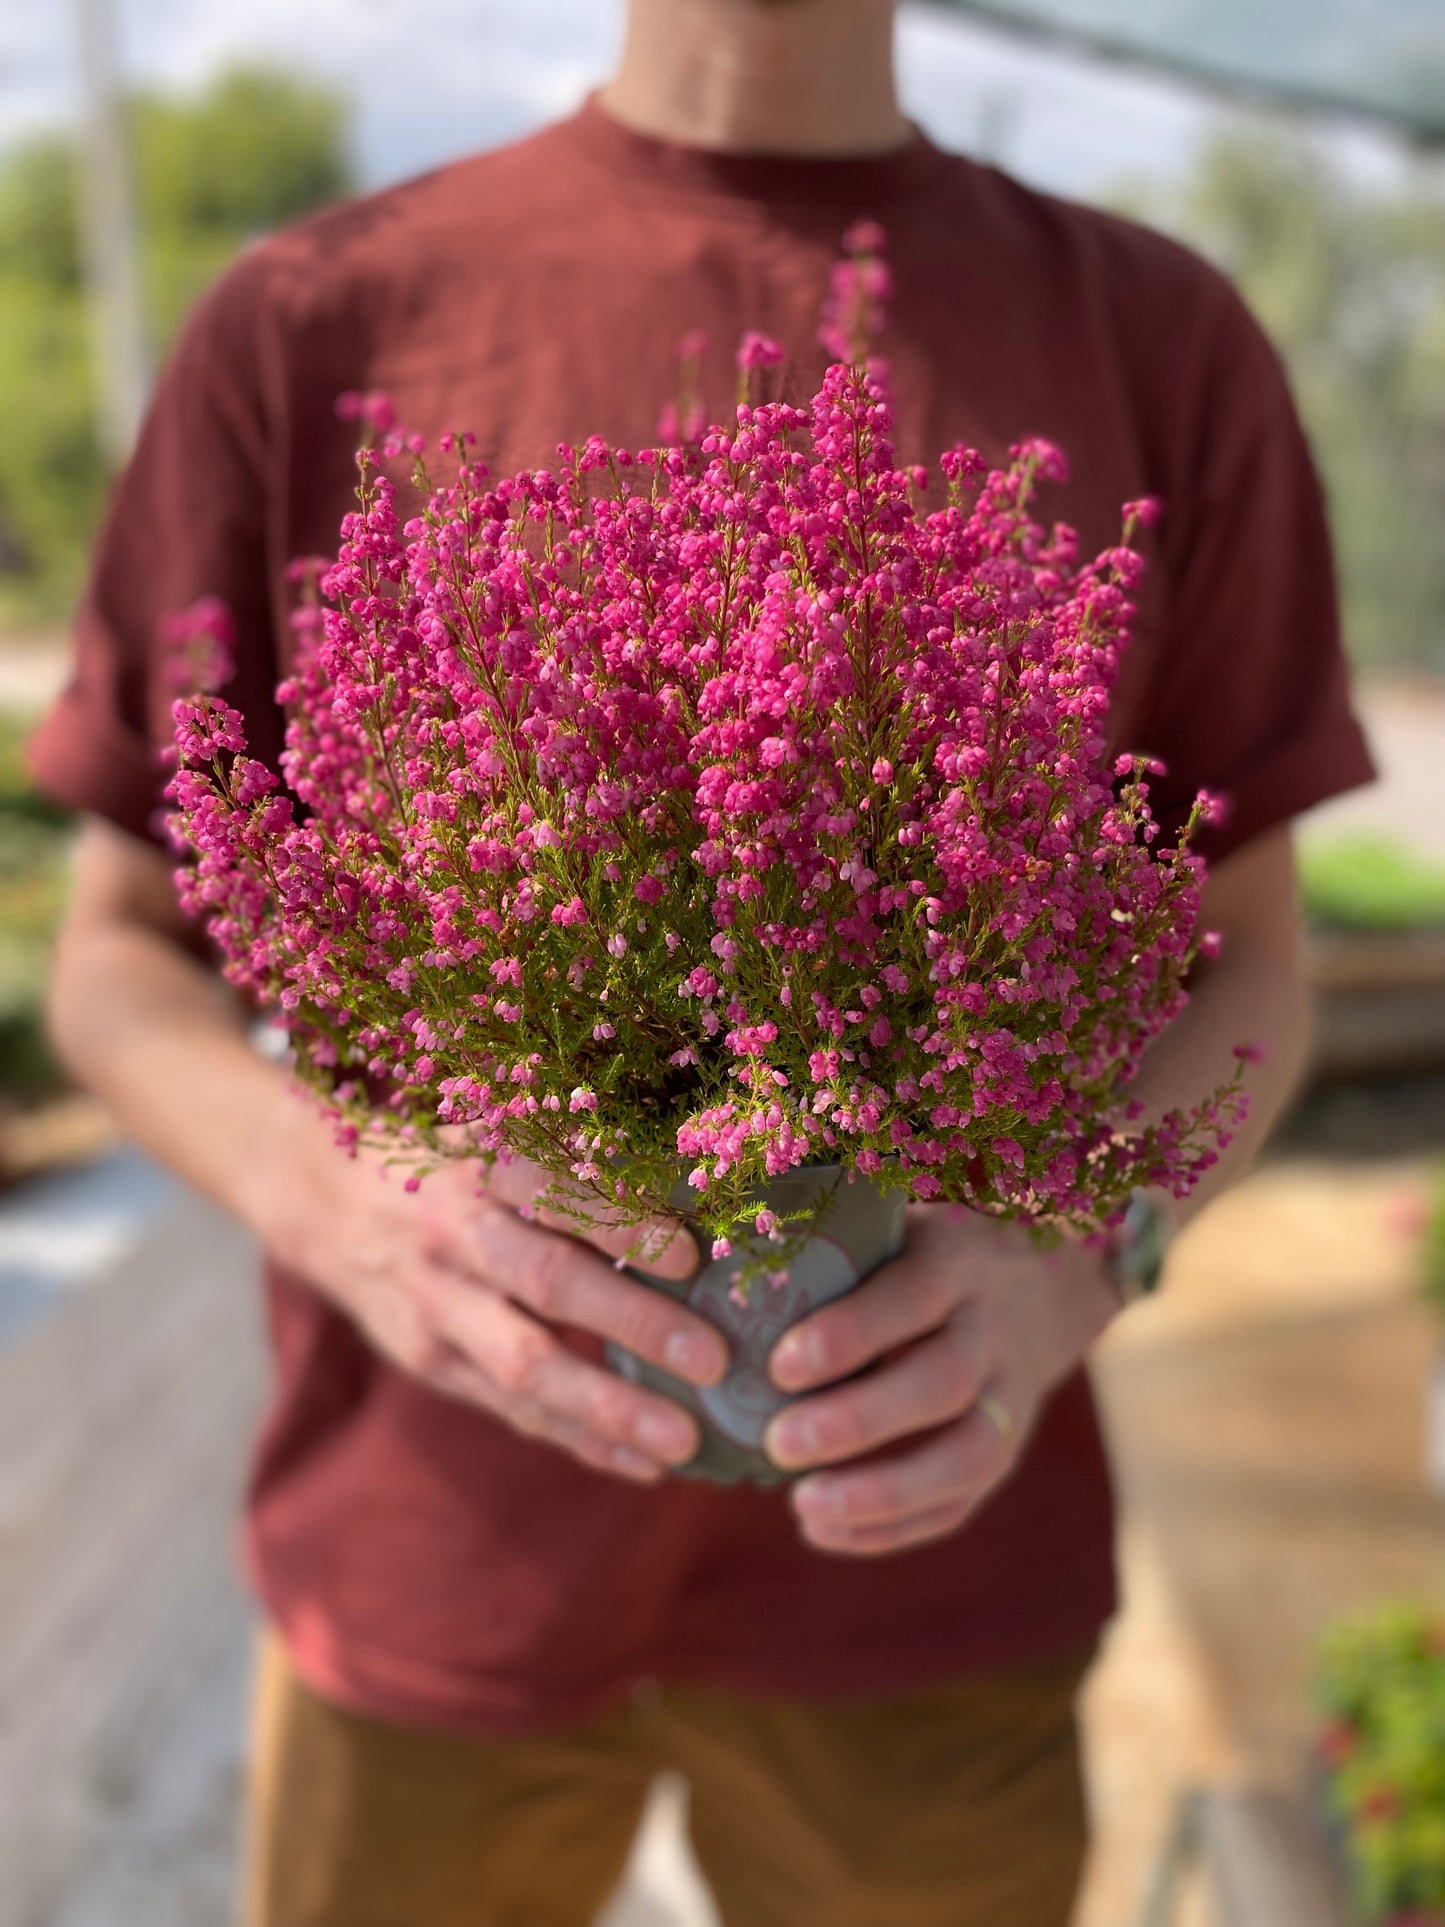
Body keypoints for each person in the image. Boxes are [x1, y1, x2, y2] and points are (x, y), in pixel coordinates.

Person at [30, 0, 1373, 1921]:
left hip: (931, 1577)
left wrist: (1078, 1259)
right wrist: (352, 1212)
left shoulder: (1152, 335)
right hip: (430, 1568)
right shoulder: (316, 314)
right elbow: (117, 961)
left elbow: (1247, 965)